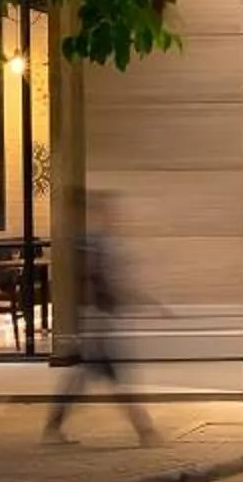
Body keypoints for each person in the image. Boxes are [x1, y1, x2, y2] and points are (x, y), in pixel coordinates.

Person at [45, 191, 160, 448]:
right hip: (101, 322)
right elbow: (98, 282)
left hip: (103, 320)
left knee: (87, 378)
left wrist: (142, 300)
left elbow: (112, 281)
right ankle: (146, 431)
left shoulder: (98, 242)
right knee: (116, 376)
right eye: (108, 211)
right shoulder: (92, 243)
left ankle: (53, 427)